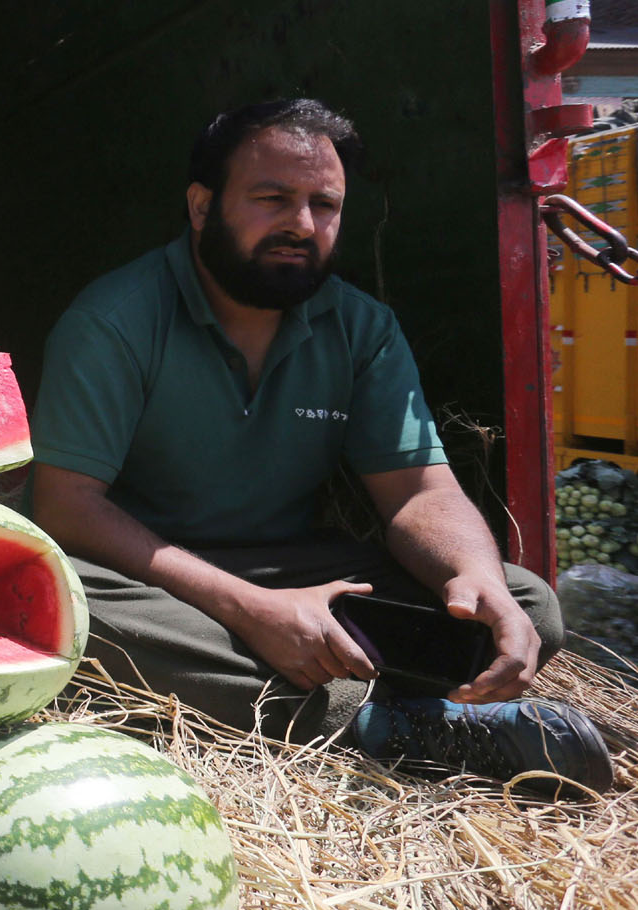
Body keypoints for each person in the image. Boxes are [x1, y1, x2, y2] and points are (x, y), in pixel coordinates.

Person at [30, 99, 611, 791]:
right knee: (63, 607)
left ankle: (381, 709)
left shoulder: (361, 329)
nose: (301, 225)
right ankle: (371, 723)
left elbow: (420, 489)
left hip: (296, 570)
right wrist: (246, 608)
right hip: (150, 578)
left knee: (527, 603)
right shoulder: (113, 321)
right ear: (199, 205)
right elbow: (65, 509)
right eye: (273, 197)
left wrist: (472, 574)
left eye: (324, 204)